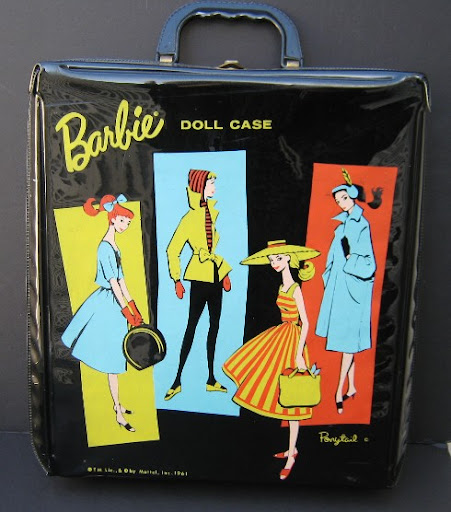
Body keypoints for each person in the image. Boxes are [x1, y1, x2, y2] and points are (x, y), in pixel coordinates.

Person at [223, 240, 320, 480]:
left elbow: (306, 322)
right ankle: (291, 448)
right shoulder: (282, 285)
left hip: (293, 340)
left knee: (293, 400)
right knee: (277, 391)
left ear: (287, 258)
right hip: (280, 335)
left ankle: (292, 455)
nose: (274, 263)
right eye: (271, 260)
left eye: (277, 258)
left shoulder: (295, 288)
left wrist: (298, 353)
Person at [61, 194, 143, 432]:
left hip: (116, 304)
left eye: (128, 222)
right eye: (123, 221)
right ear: (113, 219)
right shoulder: (105, 247)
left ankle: (118, 404)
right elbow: (114, 283)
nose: (126, 225)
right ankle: (118, 412)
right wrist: (126, 310)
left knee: (116, 359)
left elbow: (123, 280)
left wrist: (133, 306)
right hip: (108, 304)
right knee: (113, 362)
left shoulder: (115, 246)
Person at [165, 170, 232, 400]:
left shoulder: (211, 213)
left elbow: (213, 251)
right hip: (199, 277)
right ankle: (177, 380)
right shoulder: (190, 217)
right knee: (191, 327)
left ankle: (211, 379)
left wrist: (223, 274)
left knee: (214, 327)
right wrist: (176, 279)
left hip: (215, 276)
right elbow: (172, 249)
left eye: (214, 182)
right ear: (200, 187)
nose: (214, 186)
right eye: (210, 183)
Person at [315, 169, 376, 414]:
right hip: (339, 288)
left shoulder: (362, 225)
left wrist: (351, 260)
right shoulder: (341, 225)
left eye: (343, 198)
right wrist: (328, 277)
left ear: (352, 196)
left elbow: (369, 264)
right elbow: (332, 256)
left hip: (355, 289)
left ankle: (338, 391)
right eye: (337, 200)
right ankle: (352, 387)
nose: (340, 202)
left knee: (348, 343)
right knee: (346, 342)